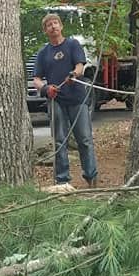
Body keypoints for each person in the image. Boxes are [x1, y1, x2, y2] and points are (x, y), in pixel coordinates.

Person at [33, 12, 98, 188]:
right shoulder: (43, 52)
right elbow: (36, 79)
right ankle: (63, 180)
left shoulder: (72, 44)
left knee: (84, 139)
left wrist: (74, 74)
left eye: (56, 23)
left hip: (77, 98)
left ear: (61, 26)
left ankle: (91, 176)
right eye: (49, 25)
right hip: (56, 101)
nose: (53, 26)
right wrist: (46, 89)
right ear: (45, 30)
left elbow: (80, 65)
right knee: (60, 140)